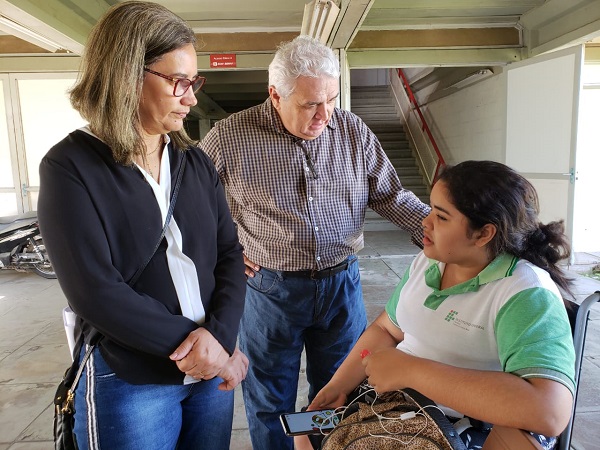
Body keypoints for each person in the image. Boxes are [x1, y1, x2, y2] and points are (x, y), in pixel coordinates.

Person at [200, 35, 431, 450]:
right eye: (310, 104)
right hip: (271, 290)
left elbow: (391, 195)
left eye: (331, 99)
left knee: (341, 393)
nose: (325, 114)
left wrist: (439, 233)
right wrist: (223, 253)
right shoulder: (228, 138)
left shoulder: (352, 129)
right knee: (271, 398)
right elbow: (193, 210)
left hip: (341, 284)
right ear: (275, 94)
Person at [37, 2, 247, 449]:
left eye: (194, 82)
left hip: (209, 375)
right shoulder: (71, 166)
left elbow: (229, 253)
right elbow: (95, 290)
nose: (191, 97)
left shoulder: (193, 161)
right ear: (127, 77)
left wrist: (221, 338)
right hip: (129, 377)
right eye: (179, 82)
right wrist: (202, 350)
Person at [308, 160, 576, 450]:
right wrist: (339, 385)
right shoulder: (428, 262)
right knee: (306, 436)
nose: (426, 221)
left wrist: (411, 370)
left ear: (484, 233)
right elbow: (387, 328)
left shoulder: (523, 293)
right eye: (430, 208)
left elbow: (548, 411)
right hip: (402, 408)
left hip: (463, 425)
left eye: (442, 216)